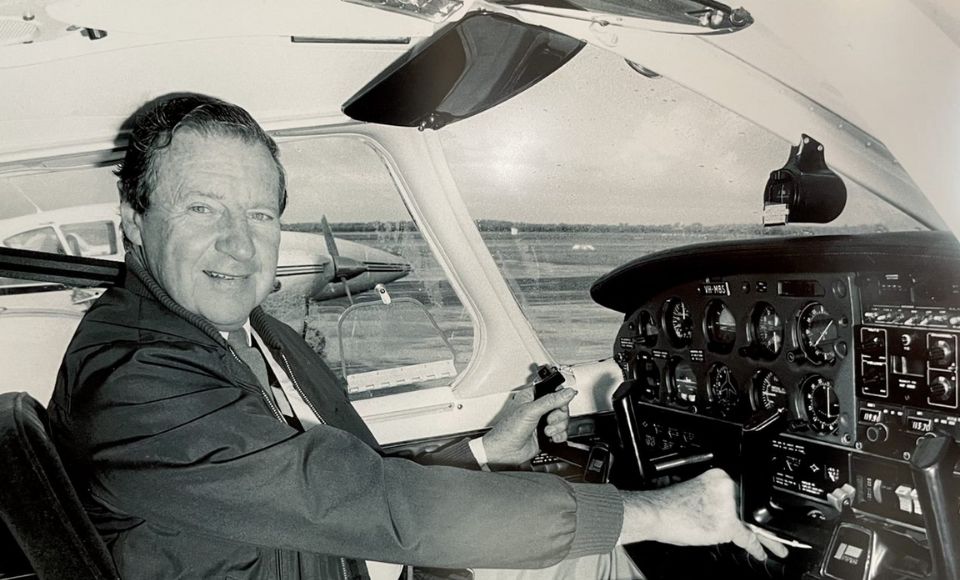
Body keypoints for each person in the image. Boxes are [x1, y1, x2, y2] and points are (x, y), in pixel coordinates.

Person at [48, 93, 786, 580]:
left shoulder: (241, 329)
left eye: (260, 215)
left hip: (351, 558)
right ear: (134, 222)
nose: (240, 247)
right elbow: (366, 505)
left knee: (594, 553)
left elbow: (328, 475)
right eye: (203, 210)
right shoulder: (137, 376)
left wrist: (483, 450)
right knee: (616, 541)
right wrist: (663, 511)